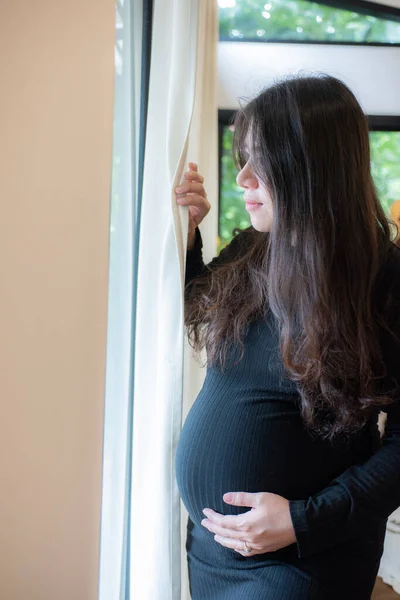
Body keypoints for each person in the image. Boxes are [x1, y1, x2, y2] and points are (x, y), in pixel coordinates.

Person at [174, 74, 400, 599]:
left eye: (262, 162)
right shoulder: (256, 250)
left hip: (305, 554)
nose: (244, 178)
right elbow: (196, 304)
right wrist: (185, 236)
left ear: (310, 168)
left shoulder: (386, 280)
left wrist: (304, 520)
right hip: (214, 550)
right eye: (243, 160)